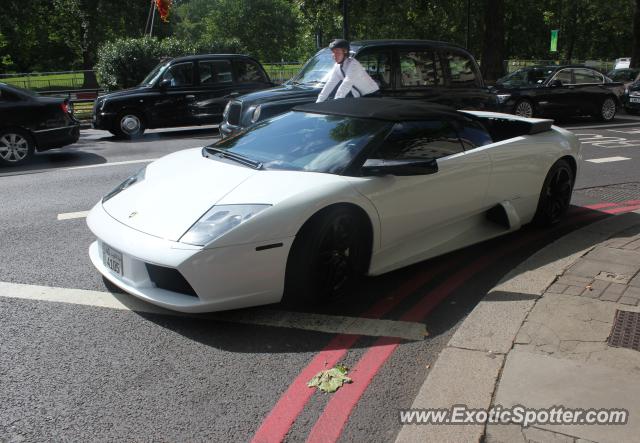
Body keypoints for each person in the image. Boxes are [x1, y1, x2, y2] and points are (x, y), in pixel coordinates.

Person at [316, 39, 380, 103]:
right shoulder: (337, 67)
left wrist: (335, 102)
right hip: (360, 97)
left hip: (372, 95)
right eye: (333, 52)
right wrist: (318, 102)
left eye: (337, 52)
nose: (334, 55)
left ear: (345, 52)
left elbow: (346, 84)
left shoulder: (353, 65)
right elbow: (330, 84)